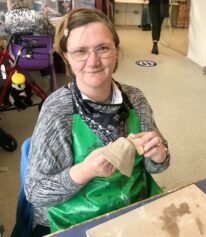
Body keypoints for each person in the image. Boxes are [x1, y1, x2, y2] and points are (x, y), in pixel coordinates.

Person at [24, 8, 170, 236]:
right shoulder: (58, 111)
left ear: (116, 52)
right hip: (77, 220)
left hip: (133, 207)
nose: (93, 61)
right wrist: (85, 170)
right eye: (80, 51)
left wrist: (160, 154)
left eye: (102, 48)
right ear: (67, 58)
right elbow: (36, 192)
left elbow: (155, 166)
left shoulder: (135, 99)